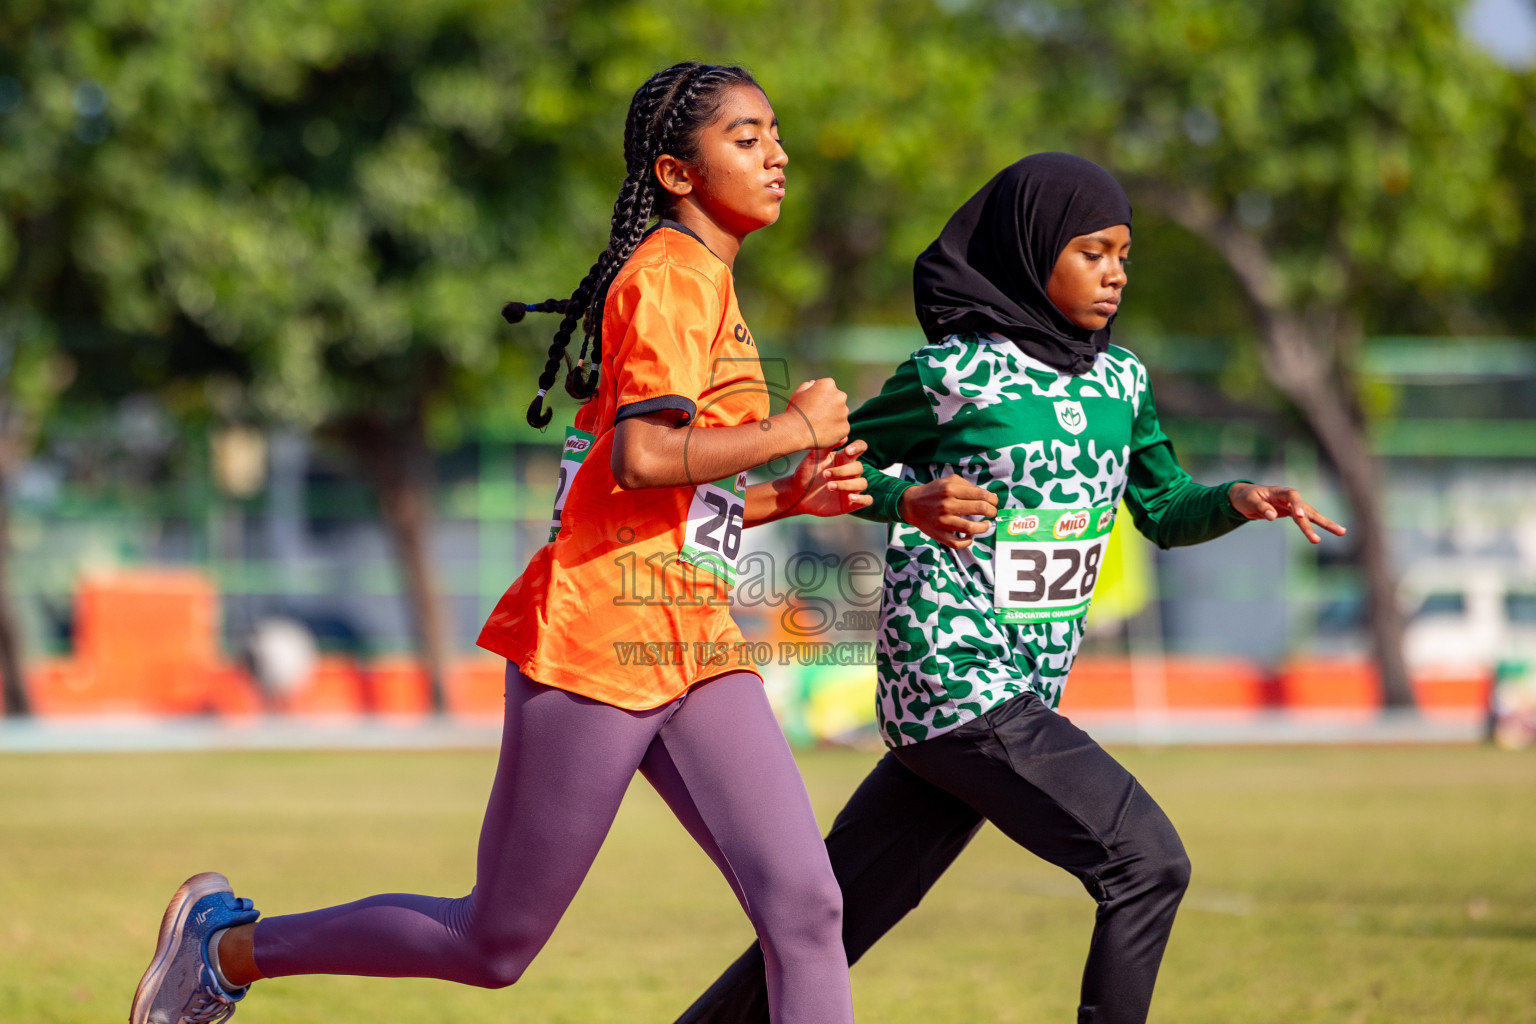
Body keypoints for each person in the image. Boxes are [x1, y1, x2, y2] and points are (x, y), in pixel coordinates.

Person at [131, 62, 874, 1024]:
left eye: (775, 134)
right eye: (746, 138)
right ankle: (228, 948)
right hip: (601, 638)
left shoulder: (708, 286)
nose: (776, 155)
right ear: (677, 173)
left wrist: (783, 498)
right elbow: (645, 456)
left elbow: (647, 498)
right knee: (492, 944)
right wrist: (795, 431)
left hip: (691, 634)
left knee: (807, 909)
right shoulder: (666, 280)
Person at [674, 152, 1346, 1024]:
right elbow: (831, 465)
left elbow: (1165, 506)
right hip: (953, 677)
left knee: (831, 923)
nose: (1114, 275)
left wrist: (1238, 502)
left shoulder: (1122, 381)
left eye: (1123, 256)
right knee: (1146, 862)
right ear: (1033, 252)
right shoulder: (954, 374)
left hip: (1021, 691)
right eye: (1092, 252)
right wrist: (906, 498)